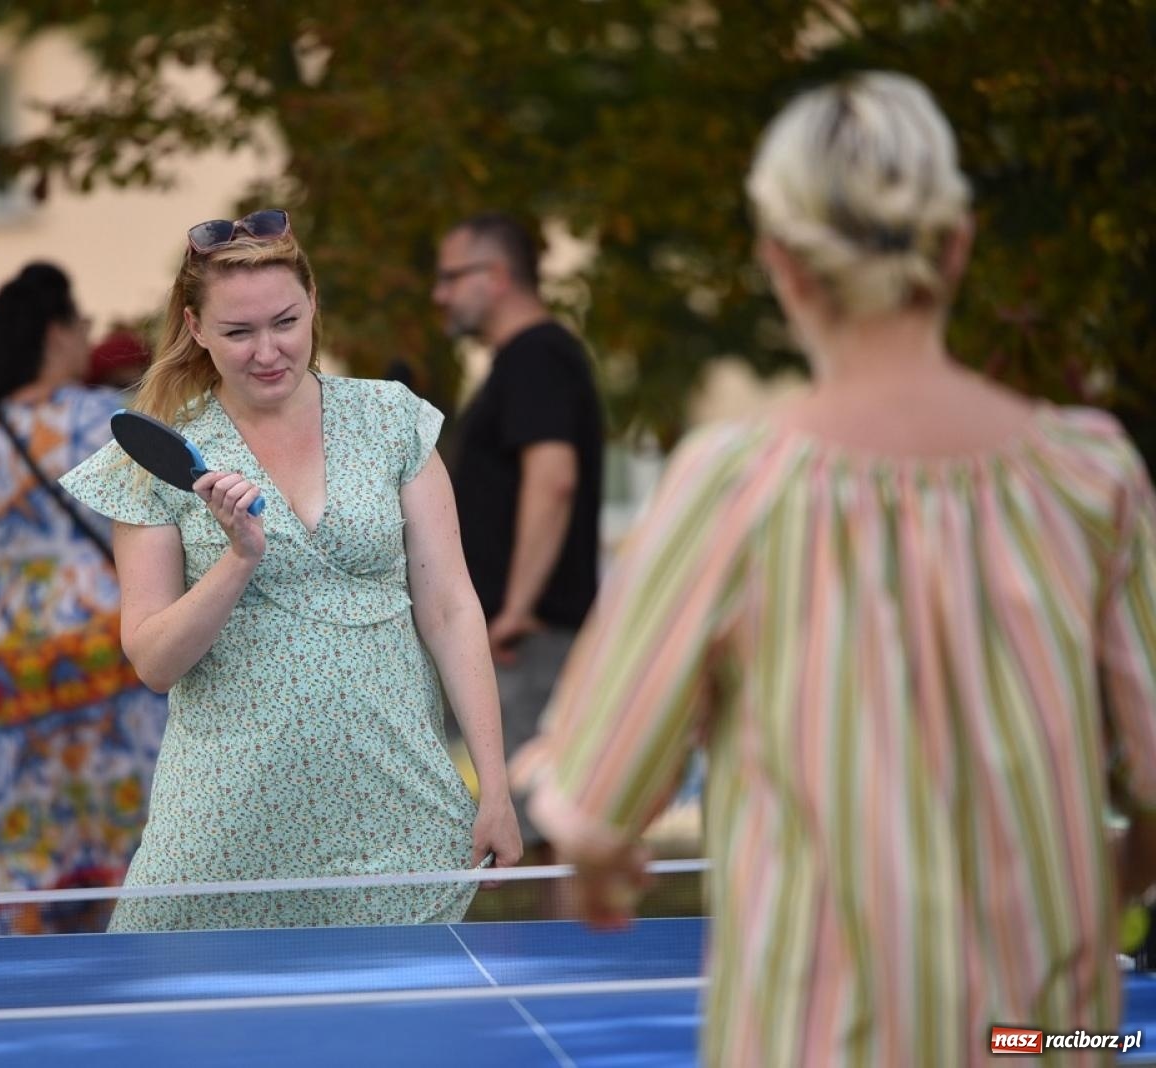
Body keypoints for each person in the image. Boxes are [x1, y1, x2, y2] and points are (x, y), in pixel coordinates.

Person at [517, 72, 1156, 1065]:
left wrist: (597, 866)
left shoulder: (735, 485)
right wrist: (1115, 875)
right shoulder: (1091, 476)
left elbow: (597, 805)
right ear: (957, 244)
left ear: (781, 262)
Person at [63, 209, 522, 931]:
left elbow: (451, 608)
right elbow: (153, 661)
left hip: (397, 818)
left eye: (285, 322)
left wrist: (495, 787)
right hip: (223, 832)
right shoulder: (159, 456)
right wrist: (238, 559)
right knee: (175, 1007)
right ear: (196, 327)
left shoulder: (392, 419)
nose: (268, 351)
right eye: (238, 332)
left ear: (312, 303)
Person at [0, 262, 167, 935]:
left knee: (10, 847)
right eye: (82, 326)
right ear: (56, 333)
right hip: (102, 661)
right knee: (119, 839)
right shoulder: (100, 420)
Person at [433, 212, 604, 864]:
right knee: (530, 828)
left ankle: (562, 937)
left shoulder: (538, 356)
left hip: (525, 638)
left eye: (452, 277)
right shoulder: (525, 361)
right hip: (517, 635)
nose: (441, 294)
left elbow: (553, 478)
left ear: (498, 276)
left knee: (537, 831)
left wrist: (516, 608)